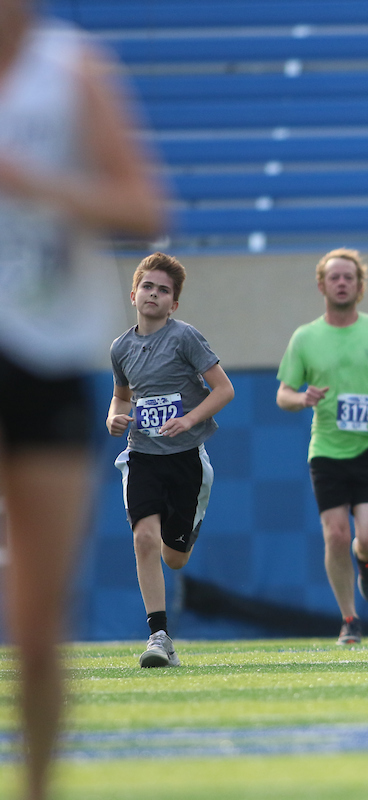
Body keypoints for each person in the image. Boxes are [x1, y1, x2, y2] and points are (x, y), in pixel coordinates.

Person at [0, 0, 164, 795]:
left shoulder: (72, 70)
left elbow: (145, 208)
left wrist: (35, 184)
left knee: (36, 621)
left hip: (43, 355)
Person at [277, 248, 368, 645]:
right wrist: (302, 398)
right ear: (322, 285)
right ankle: (349, 619)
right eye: (334, 277)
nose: (341, 283)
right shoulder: (305, 337)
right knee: (336, 534)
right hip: (326, 450)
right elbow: (283, 394)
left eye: (348, 277)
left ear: (359, 285)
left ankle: (367, 560)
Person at [107, 252, 234, 668]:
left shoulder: (184, 338)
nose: (154, 295)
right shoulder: (121, 348)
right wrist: (114, 416)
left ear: (173, 304)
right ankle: (159, 636)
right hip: (143, 456)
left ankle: (187, 529)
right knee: (143, 538)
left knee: (174, 558)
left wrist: (189, 419)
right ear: (133, 294)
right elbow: (122, 395)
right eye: (148, 286)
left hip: (186, 459)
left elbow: (224, 390)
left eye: (163, 290)